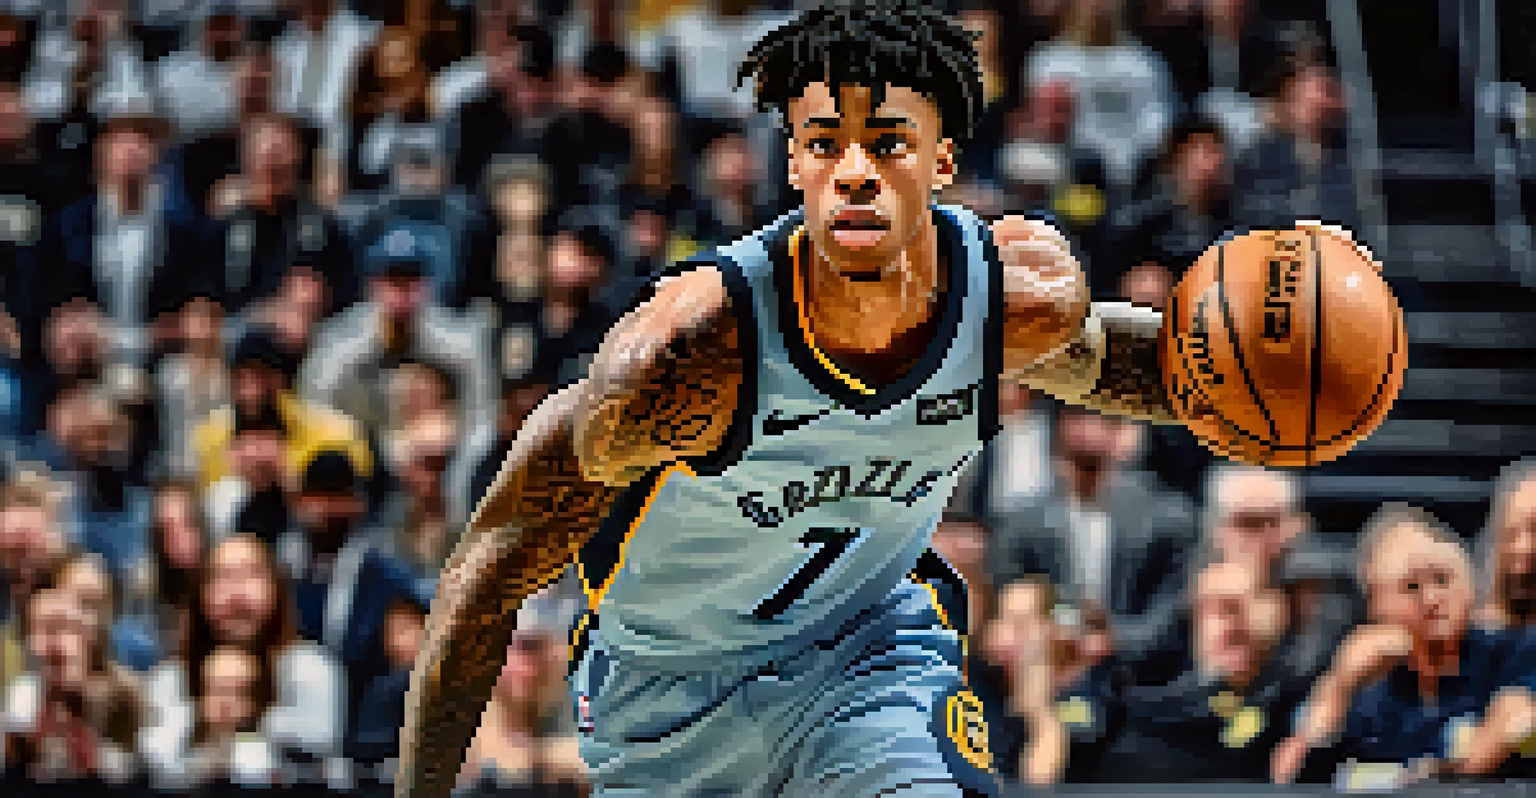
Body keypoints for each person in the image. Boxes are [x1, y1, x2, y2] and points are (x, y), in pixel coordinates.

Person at [396, 3, 1314, 797]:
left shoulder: (1015, 300)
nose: (857, 171)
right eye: (827, 143)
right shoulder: (682, 358)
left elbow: (1145, 367)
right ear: (794, 162)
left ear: (943, 161)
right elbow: (488, 571)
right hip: (665, 694)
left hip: (867, 652)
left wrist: (1276, 389)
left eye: (889, 143)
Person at [1274, 504, 1536, 785]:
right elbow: (1290, 777)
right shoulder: (1359, 682)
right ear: (1376, 605)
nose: (1432, 599)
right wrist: (1339, 686)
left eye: (1442, 579)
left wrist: (1410, 778)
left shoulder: (1517, 650)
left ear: (1470, 585)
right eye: (1411, 587)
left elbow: (1508, 733)